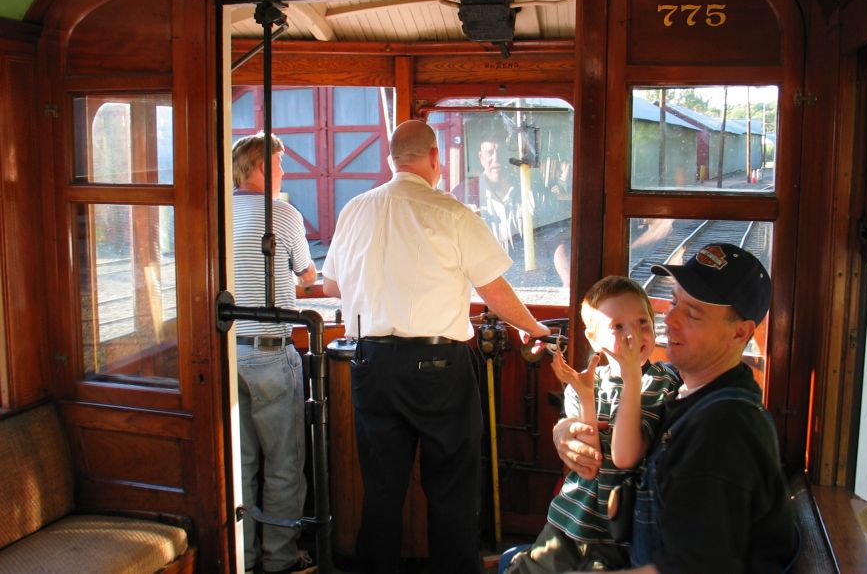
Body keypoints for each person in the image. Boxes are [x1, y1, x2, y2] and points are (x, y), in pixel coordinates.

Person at [321, 119, 551, 574]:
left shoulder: (355, 210)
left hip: (371, 363)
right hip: (439, 368)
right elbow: (495, 291)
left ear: (391, 161)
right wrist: (533, 329)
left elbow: (330, 283)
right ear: (433, 159)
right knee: (452, 488)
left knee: (382, 489)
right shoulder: (452, 213)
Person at [552, 243, 799, 573]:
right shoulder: (692, 394)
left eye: (693, 313)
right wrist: (564, 430)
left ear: (740, 332)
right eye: (673, 302)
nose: (669, 319)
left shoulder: (722, 433)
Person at [504, 277, 679, 573]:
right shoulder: (588, 382)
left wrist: (631, 377)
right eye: (618, 326)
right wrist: (585, 397)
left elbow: (626, 457)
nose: (632, 335)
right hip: (570, 517)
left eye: (642, 322)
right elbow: (589, 462)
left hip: (616, 533)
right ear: (594, 338)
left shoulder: (661, 383)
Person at [232, 133, 317, 574]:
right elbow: (306, 276)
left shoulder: (220, 212)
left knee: (241, 465)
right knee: (284, 463)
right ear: (261, 168)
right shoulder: (281, 213)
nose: (285, 173)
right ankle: (280, 559)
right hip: (269, 351)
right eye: (281, 165)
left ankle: (243, 559)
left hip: (229, 354)